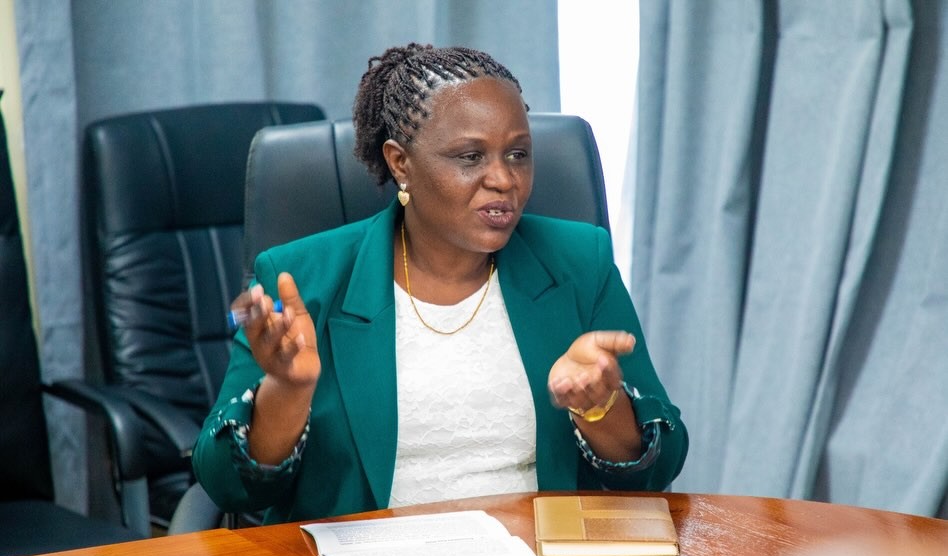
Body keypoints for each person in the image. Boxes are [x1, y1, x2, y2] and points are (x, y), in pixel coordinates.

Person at [193, 43, 688, 523]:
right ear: (400, 163)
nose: (504, 179)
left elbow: (659, 465)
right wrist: (286, 390)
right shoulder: (302, 277)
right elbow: (227, 485)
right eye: (470, 157)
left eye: (518, 154)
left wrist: (600, 406)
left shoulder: (579, 260)